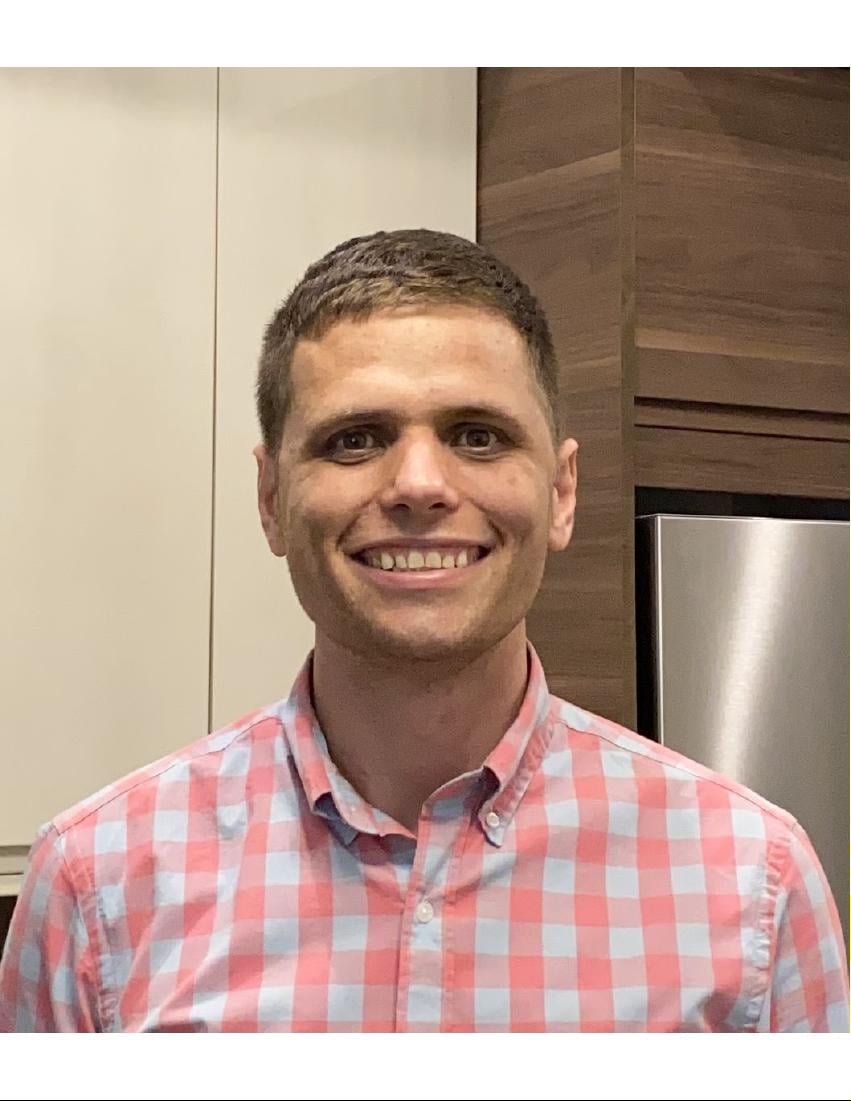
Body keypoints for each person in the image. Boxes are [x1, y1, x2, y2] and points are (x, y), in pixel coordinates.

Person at [0, 229, 847, 1033]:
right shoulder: (96, 886)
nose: (417, 483)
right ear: (270, 498)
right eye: (354, 439)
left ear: (560, 492)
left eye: (477, 436)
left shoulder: (754, 882)